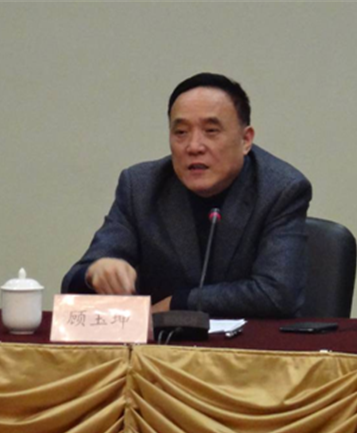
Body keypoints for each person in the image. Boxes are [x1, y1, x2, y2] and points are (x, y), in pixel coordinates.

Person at [61, 73, 312, 318]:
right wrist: (95, 273)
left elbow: (277, 294)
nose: (193, 147)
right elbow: (73, 281)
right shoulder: (141, 187)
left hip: (249, 344)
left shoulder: (280, 189)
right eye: (181, 132)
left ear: (246, 140)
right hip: (162, 344)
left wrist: (179, 303)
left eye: (211, 131)